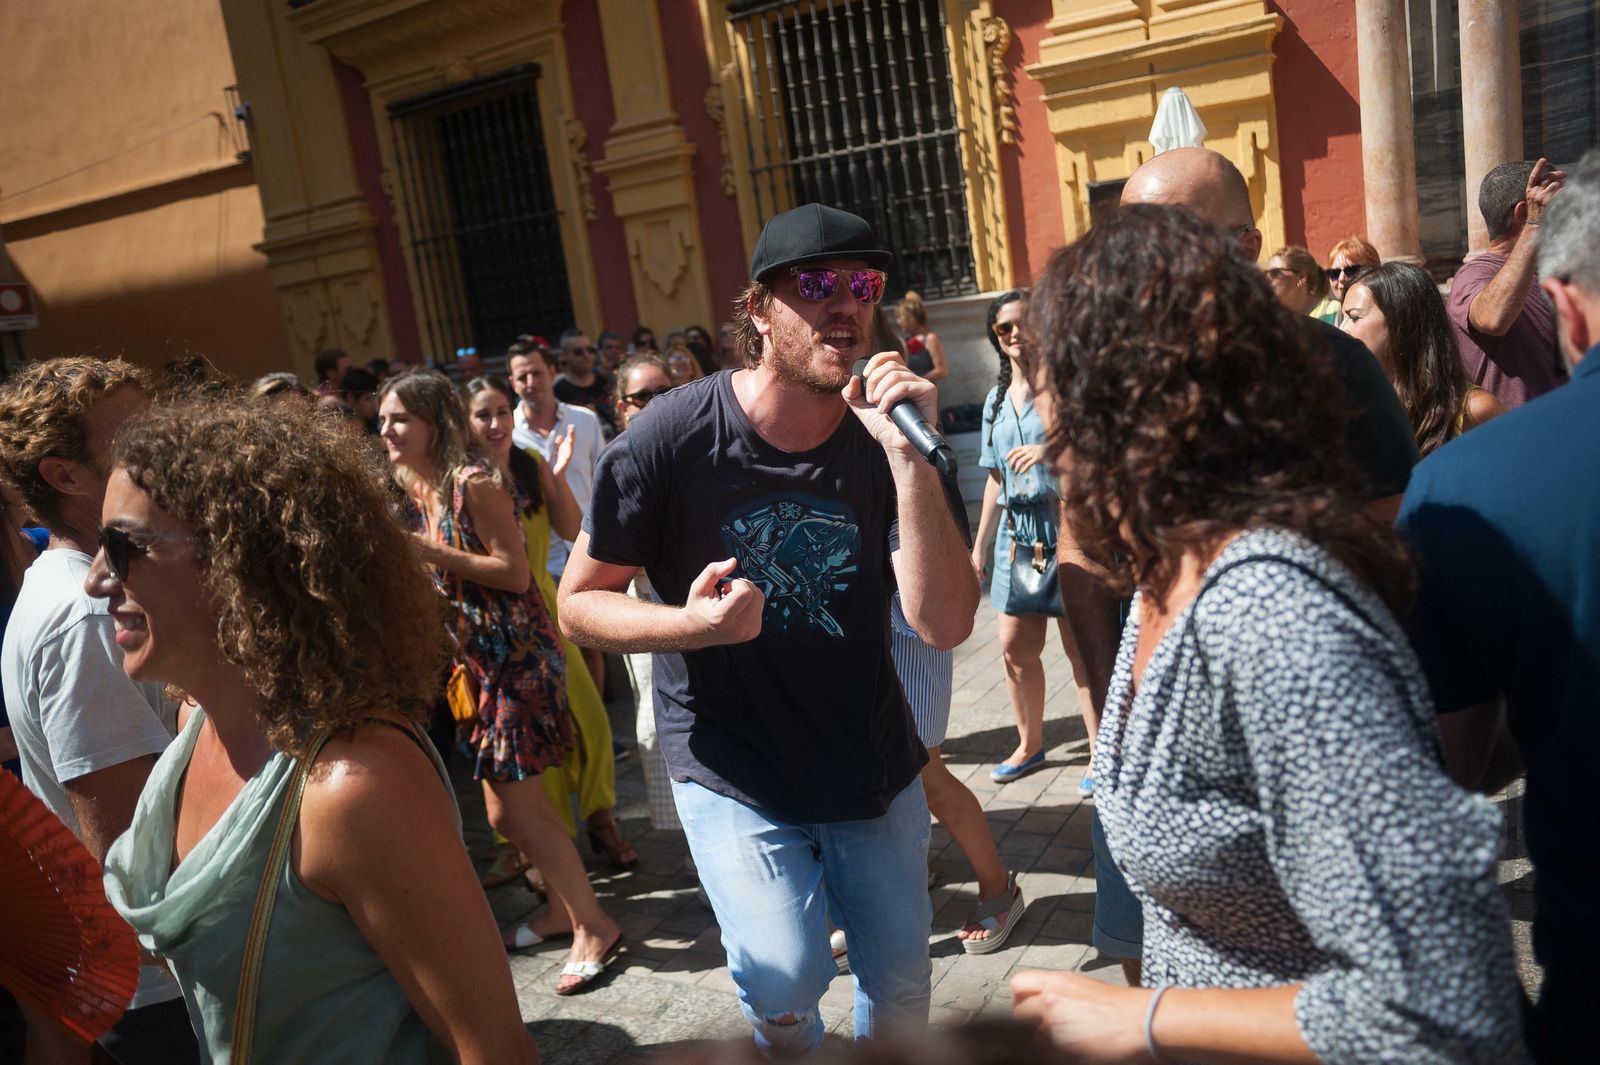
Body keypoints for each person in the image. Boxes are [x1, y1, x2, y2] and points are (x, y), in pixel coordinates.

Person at [1011, 203, 1526, 1064]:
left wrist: (1138, 1018)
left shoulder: (1272, 622)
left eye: (1049, 375)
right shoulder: (1165, 574)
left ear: (1128, 397)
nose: (1039, 414)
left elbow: (1448, 1000)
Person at [559, 203, 978, 1051]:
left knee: (899, 991)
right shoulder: (671, 436)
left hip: (870, 756)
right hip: (733, 763)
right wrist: (691, 626)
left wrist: (906, 461)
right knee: (784, 972)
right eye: (817, 284)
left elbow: (942, 624)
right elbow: (576, 602)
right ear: (758, 311)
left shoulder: (889, 445)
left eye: (864, 285)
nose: (846, 304)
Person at [1064, 145, 1425, 986]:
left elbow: (1423, 989)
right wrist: (1101, 721)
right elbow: (1082, 542)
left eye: (1179, 247)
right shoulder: (1123, 395)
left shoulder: (1280, 610)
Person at [89, 398, 537, 1063]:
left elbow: (495, 1051)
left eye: (125, 546)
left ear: (238, 562)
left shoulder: (355, 786)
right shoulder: (191, 726)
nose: (98, 578)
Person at [1397, 146, 1600, 1063]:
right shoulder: (1471, 290)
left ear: (1570, 305)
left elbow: (1456, 761)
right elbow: (1483, 312)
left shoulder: (1459, 490)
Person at [377, 369, 622, 995]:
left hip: (519, 663)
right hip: (478, 670)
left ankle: (593, 925)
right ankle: (563, 910)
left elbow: (514, 573)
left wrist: (426, 554)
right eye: (382, 418)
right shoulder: (417, 488)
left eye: (398, 418)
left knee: (523, 811)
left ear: (432, 422)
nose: (385, 429)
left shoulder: (474, 483)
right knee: (504, 813)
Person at [0, 357, 198, 1064]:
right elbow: (126, 849)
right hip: (167, 991)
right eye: (135, 432)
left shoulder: (78, 592)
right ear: (66, 475)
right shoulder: (85, 614)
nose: (161, 443)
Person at [461, 375, 637, 892]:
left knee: (592, 723)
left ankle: (601, 817)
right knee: (536, 748)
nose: (495, 424)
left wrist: (554, 478)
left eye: (500, 411)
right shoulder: (462, 482)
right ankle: (552, 846)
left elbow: (572, 529)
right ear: (464, 423)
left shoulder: (528, 465)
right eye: (483, 414)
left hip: (545, 610)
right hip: (493, 627)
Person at [972, 289, 1097, 790]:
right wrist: (978, 545)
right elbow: (994, 476)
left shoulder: (1067, 388)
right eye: (1005, 328)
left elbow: (1094, 454)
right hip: (1016, 535)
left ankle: (1099, 751)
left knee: (1080, 648)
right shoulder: (997, 398)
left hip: (1067, 525)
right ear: (997, 339)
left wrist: (1050, 453)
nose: (1016, 334)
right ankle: (1029, 744)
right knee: (1013, 646)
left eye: (1025, 323)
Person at [507, 341, 610, 704]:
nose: (531, 381)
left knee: (591, 643)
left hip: (586, 545)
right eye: (522, 376)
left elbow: (604, 477)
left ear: (553, 373)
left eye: (537, 372)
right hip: (542, 557)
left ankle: (597, 718)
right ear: (513, 383)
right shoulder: (508, 435)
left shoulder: (583, 419)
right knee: (556, 644)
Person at [608, 354, 684, 837]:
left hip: (705, 608)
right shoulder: (618, 462)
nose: (653, 404)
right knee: (655, 728)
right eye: (641, 397)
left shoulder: (694, 448)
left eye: (663, 392)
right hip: (646, 613)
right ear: (622, 407)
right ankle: (691, 849)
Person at [1342, 261, 1506, 455]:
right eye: (1343, 317)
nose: (1342, 329)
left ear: (1401, 323)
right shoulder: (1357, 404)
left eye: (1354, 317)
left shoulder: (1476, 410)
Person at [1446, 158, 1570, 408]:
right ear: (1525, 213)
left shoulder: (1553, 276)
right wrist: (1535, 227)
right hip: (1520, 441)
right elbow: (1492, 319)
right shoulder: (1474, 273)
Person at [553, 329, 617, 433]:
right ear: (564, 355)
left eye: (590, 350)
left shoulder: (606, 384)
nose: (586, 355)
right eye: (579, 352)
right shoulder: (557, 393)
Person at [1266, 245, 1340, 323]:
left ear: (1301, 278)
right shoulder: (1277, 319)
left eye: (1275, 273)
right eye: (1265, 273)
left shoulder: (1333, 313)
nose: (1267, 278)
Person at [893, 291, 949, 383]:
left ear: (911, 317)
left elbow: (942, 370)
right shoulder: (905, 341)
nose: (898, 322)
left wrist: (916, 381)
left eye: (900, 317)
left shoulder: (930, 338)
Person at [1325, 234, 1380, 305]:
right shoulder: (1328, 315)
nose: (1341, 278)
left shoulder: (1391, 313)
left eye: (1351, 271)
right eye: (1334, 273)